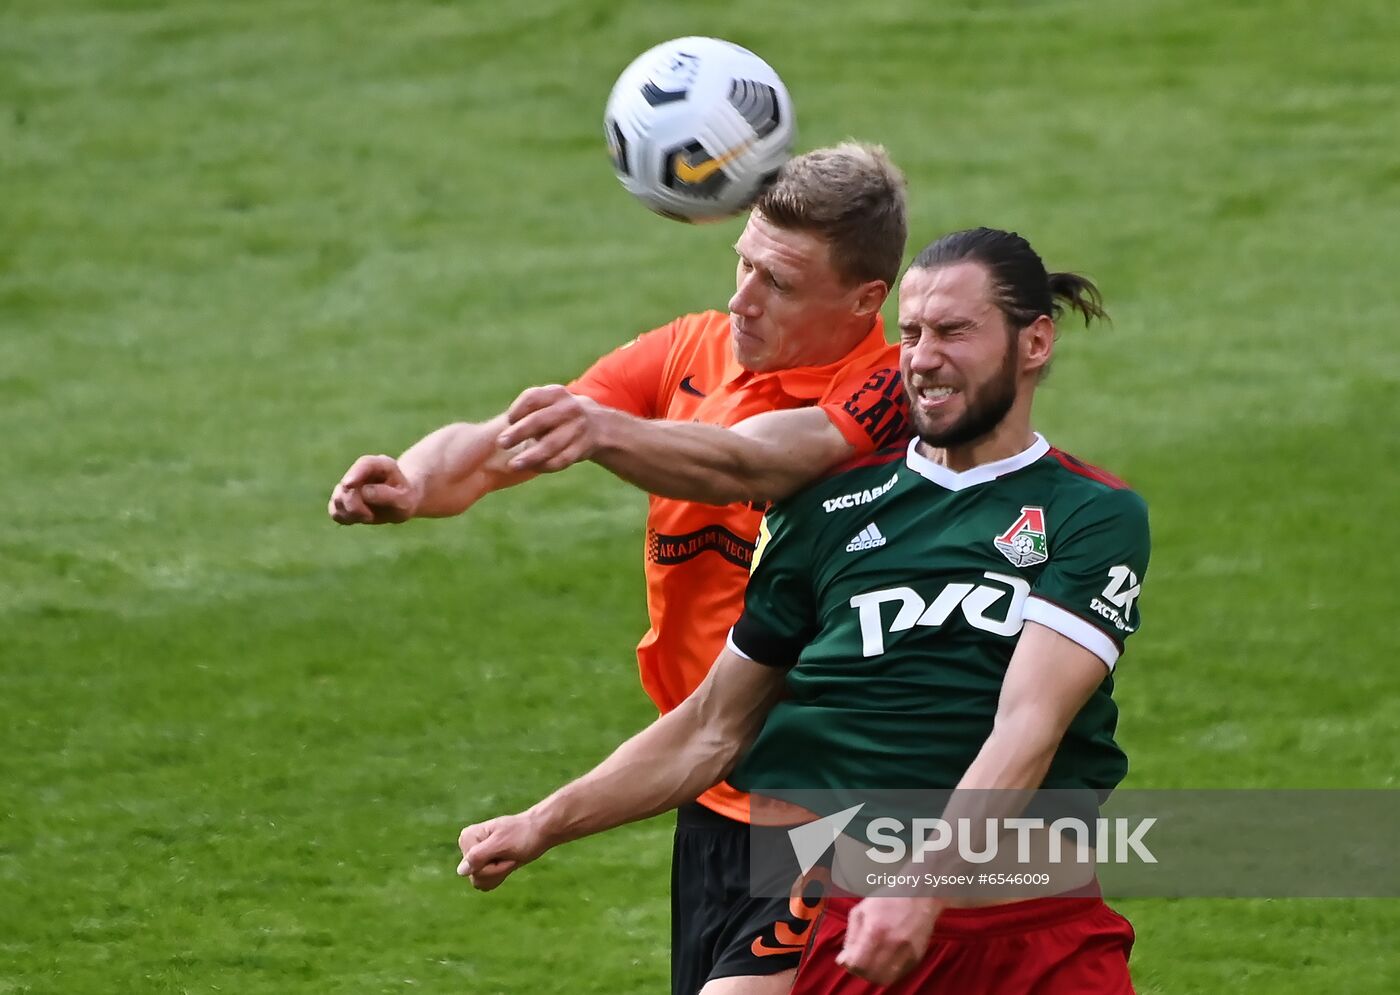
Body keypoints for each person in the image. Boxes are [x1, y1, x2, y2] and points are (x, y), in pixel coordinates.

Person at [457, 227, 1150, 994]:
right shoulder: (829, 510)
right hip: (858, 919)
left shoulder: (1089, 513)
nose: (922, 357)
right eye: (912, 332)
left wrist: (922, 885)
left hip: (1035, 934)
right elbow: (711, 727)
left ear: (1035, 342)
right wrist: (540, 824)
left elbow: (1027, 723)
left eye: (955, 331)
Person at [329, 143, 911, 995]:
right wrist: (416, 482)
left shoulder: (890, 393)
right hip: (704, 791)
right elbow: (502, 444)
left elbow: (742, 464)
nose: (740, 299)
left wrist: (603, 433)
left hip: (829, 807)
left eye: (777, 284)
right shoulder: (691, 352)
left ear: (866, 298)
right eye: (741, 263)